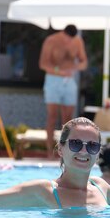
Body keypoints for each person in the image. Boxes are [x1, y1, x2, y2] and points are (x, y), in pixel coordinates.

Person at [39, 25, 88, 158]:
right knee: (52, 116)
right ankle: (50, 152)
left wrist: (74, 67)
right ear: (63, 34)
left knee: (68, 118)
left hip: (69, 80)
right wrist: (59, 71)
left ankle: (66, 152)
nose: (68, 42)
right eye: (67, 39)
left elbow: (84, 62)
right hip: (53, 79)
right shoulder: (51, 41)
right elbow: (43, 64)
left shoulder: (77, 41)